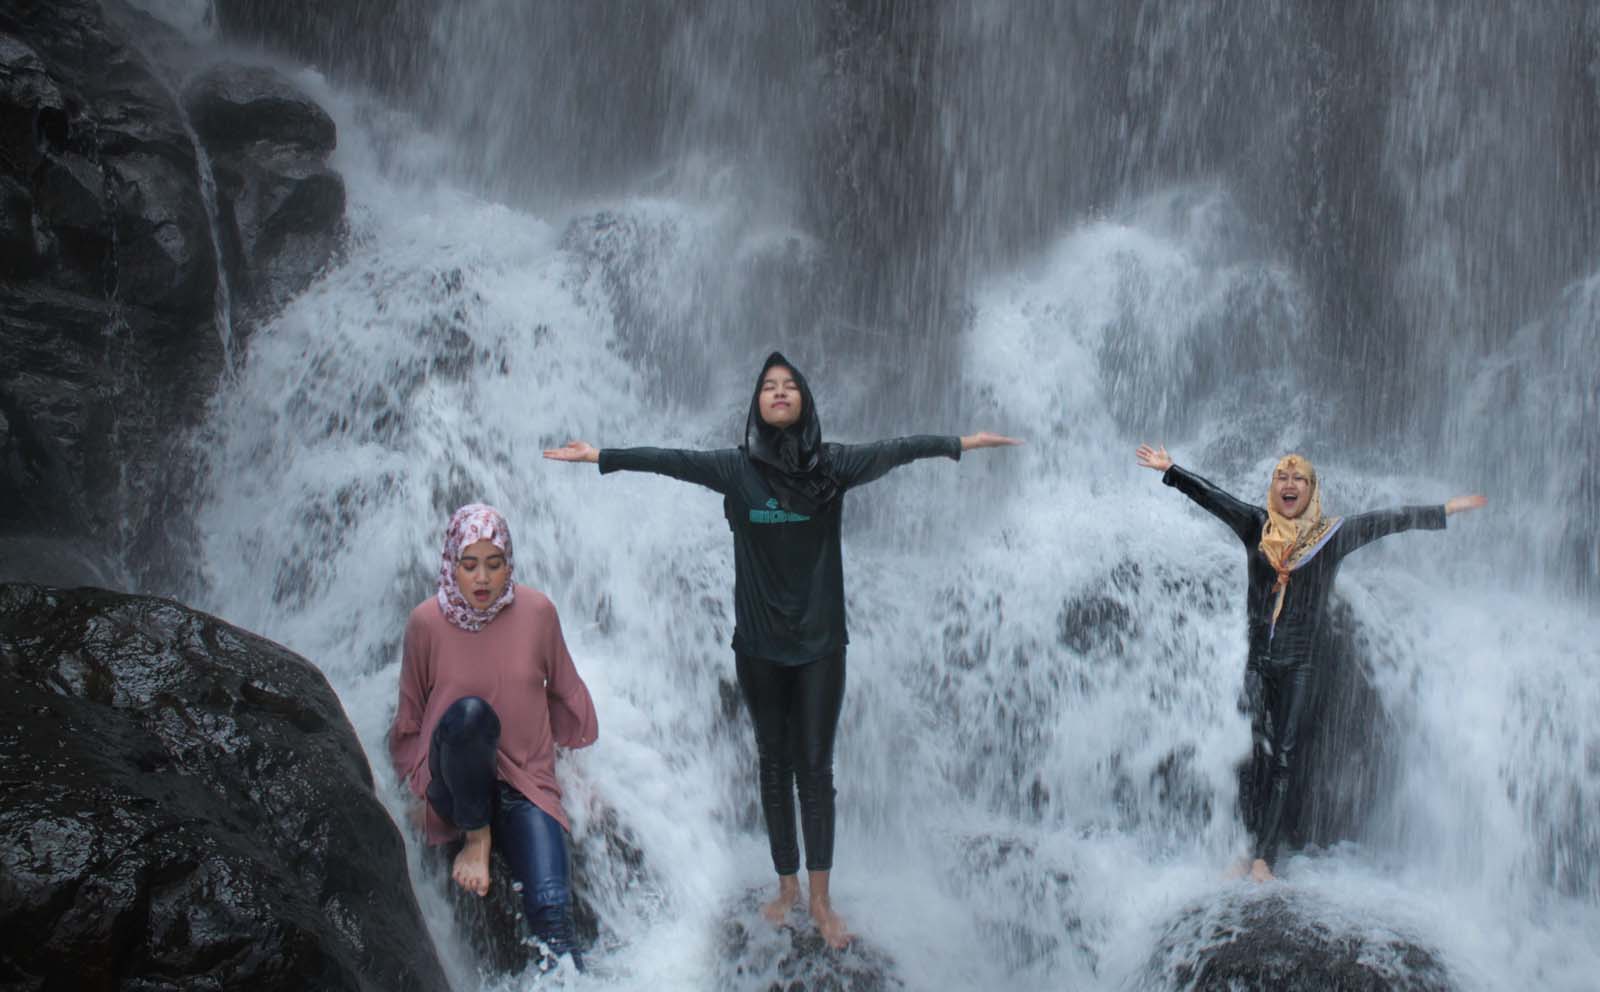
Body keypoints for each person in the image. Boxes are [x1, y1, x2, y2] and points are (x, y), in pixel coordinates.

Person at [544, 351, 1018, 948]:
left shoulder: (834, 465)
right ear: (757, 405)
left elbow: (898, 448)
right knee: (773, 764)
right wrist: (600, 456)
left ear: (804, 401)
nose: (778, 391)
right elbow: (670, 462)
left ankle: (821, 900)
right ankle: (786, 886)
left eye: (788, 385)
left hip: (821, 645)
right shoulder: (736, 469)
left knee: (815, 771)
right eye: (768, 386)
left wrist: (963, 442)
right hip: (760, 647)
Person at [1134, 444, 1485, 881]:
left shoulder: (1330, 537)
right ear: (1273, 486)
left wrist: (1444, 510)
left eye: (1299, 479)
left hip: (1301, 666)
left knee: (1282, 759)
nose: (1289, 484)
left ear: (1312, 489)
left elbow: (1387, 521)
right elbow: (1212, 497)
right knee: (1256, 757)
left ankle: (1264, 859)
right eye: (1283, 476)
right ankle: (1245, 852)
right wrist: (1171, 470)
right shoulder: (1255, 526)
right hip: (1258, 665)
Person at [388, 503, 599, 968]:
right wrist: (416, 792)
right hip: (456, 782)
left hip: (526, 786)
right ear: (451, 565)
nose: (481, 579)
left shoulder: (539, 612)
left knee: (553, 914)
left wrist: (579, 774)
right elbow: (409, 719)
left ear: (509, 564)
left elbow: (565, 691)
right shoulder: (425, 623)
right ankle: (477, 838)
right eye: (469, 565)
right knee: (469, 717)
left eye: (494, 563)